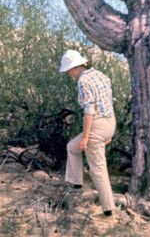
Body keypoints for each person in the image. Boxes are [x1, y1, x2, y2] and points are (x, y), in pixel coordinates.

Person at [59, 49, 116, 217]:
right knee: (72, 147)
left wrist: (85, 137)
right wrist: (109, 132)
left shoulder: (83, 81)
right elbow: (108, 102)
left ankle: (108, 210)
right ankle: (76, 182)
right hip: (109, 122)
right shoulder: (101, 75)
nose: (69, 74)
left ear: (77, 66)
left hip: (96, 126)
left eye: (69, 70)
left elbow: (89, 111)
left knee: (98, 169)